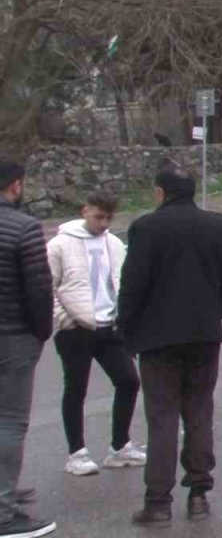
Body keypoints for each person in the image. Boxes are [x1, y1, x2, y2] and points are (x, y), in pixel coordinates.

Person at [117, 165, 222, 527]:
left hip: (158, 339)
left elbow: (133, 285)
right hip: (204, 335)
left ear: (160, 192)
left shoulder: (146, 228)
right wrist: (216, 312)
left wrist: (126, 328)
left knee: (162, 418)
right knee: (200, 411)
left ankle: (158, 502)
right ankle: (199, 494)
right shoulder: (218, 226)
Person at [48, 190, 146, 477]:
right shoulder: (59, 245)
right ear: (85, 211)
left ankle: (120, 446)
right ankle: (76, 452)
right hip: (76, 328)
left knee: (128, 381)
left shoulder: (113, 243)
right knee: (76, 388)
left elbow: (121, 280)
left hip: (108, 326)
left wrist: (122, 318)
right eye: (98, 216)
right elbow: (48, 286)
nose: (103, 223)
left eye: (108, 218)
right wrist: (64, 318)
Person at [0, 157, 56, 538]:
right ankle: (4, 510)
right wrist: (41, 332)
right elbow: (38, 288)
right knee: (10, 420)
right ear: (16, 185)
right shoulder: (24, 227)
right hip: (13, 335)